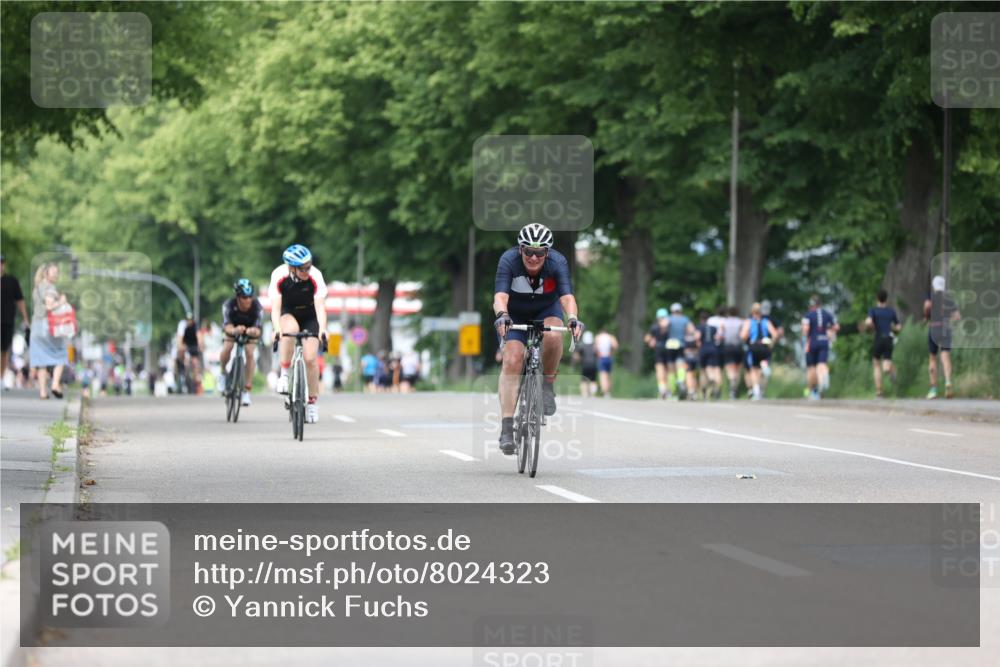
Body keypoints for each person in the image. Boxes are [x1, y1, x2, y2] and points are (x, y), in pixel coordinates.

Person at [493, 223, 584, 455]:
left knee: (554, 334)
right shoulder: (508, 260)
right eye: (529, 252)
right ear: (520, 249)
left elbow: (566, 296)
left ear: (547, 252)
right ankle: (506, 428)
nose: (534, 257)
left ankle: (547, 385)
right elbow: (500, 296)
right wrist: (502, 315)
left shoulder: (557, 262)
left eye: (540, 252)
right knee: (512, 360)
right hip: (514, 314)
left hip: (547, 311)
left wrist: (573, 317)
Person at [269, 244, 328, 423]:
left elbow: (320, 307)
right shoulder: (279, 275)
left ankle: (311, 403)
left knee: (311, 359)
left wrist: (323, 329)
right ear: (291, 267)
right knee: (290, 330)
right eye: (303, 268)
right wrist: (277, 329)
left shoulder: (315, 276)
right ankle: (285, 374)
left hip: (310, 314)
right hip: (288, 312)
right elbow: (275, 308)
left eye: (309, 266)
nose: (307, 270)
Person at [219, 278, 263, 407]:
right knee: (228, 347)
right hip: (233, 328)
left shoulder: (257, 306)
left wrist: (252, 331)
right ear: (238, 297)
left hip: (250, 330)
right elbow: (226, 326)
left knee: (250, 353)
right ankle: (222, 373)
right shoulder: (228, 305)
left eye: (250, 296)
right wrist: (234, 330)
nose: (248, 300)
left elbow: (258, 330)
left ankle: (246, 390)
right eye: (244, 297)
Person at [29, 262, 70, 399]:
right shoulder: (50, 288)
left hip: (35, 326)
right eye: (54, 272)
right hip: (48, 326)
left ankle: (42, 392)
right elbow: (49, 306)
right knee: (61, 355)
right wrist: (62, 302)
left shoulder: (37, 288)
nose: (56, 275)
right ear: (46, 274)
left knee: (41, 361)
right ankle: (54, 384)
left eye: (57, 272)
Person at [924, 275, 960, 399]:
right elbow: (957, 317)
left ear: (934, 286)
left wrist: (927, 316)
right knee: (946, 357)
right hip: (945, 328)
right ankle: (948, 382)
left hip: (934, 327)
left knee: (932, 358)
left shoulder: (931, 297)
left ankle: (933, 389)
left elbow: (927, 308)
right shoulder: (949, 299)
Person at [861, 288, 902, 398]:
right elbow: (898, 327)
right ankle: (892, 371)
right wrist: (892, 327)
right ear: (886, 299)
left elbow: (869, 322)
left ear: (877, 299)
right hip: (889, 338)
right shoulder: (891, 311)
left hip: (878, 338)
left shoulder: (873, 310)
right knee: (886, 366)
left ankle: (879, 392)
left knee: (876, 365)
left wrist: (869, 325)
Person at [802, 295, 839, 400]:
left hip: (812, 341)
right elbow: (836, 327)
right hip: (824, 340)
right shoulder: (827, 314)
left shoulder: (808, 315)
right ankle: (823, 377)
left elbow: (805, 330)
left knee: (811, 367)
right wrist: (830, 333)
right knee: (821, 364)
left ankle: (812, 390)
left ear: (811, 305)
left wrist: (806, 335)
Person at [1, 255, 29, 388]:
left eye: (1, 263)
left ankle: (1, 378)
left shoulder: (12, 281)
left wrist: (25, 318)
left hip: (7, 320)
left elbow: (20, 300)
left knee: (4, 351)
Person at [740, 302, 778, 400]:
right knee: (762, 370)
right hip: (765, 347)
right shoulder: (766, 321)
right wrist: (771, 344)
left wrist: (747, 338)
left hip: (754, 347)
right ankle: (762, 390)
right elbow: (775, 334)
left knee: (753, 369)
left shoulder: (749, 322)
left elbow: (743, 336)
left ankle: (756, 390)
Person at [665, 303, 696, 400]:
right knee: (680, 365)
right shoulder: (685, 319)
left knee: (670, 368)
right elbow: (692, 330)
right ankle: (681, 380)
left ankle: (672, 389)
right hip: (681, 344)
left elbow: (664, 327)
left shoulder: (669, 318)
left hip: (670, 344)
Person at [644, 308, 672, 399]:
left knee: (660, 369)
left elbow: (647, 339)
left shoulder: (655, 326)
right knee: (668, 370)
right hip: (669, 348)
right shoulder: (670, 325)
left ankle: (662, 389)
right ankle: (669, 390)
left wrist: (651, 341)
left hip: (659, 349)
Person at [719, 306, 745, 399]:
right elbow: (744, 335)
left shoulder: (724, 322)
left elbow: (720, 335)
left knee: (730, 367)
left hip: (728, 347)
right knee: (737, 368)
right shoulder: (741, 322)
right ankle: (735, 386)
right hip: (738, 347)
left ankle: (732, 382)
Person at [696, 309, 722, 399]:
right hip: (714, 349)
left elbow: (697, 338)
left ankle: (705, 388)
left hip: (704, 349)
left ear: (700, 319)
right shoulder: (713, 328)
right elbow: (718, 338)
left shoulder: (699, 327)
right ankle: (717, 386)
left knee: (703, 370)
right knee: (715, 368)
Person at [175, 312, 203, 393]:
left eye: (190, 320)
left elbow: (199, 336)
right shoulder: (183, 326)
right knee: (183, 355)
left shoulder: (196, 326)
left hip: (194, 346)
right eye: (188, 320)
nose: (189, 322)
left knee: (195, 362)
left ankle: (196, 377)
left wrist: (200, 346)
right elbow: (180, 338)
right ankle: (182, 369)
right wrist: (180, 346)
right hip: (186, 345)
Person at [594, 328, 618, 398]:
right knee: (609, 375)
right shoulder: (611, 337)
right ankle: (609, 392)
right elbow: (615, 345)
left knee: (603, 375)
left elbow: (595, 348)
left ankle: (605, 392)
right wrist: (612, 352)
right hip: (609, 357)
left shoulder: (598, 337)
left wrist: (598, 353)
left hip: (602, 357)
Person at [574, 330, 598, 397]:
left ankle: (584, 394)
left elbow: (576, 356)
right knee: (593, 380)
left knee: (584, 379)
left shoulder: (581, 346)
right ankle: (593, 394)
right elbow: (598, 354)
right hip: (593, 365)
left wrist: (578, 361)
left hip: (585, 365)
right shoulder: (594, 346)